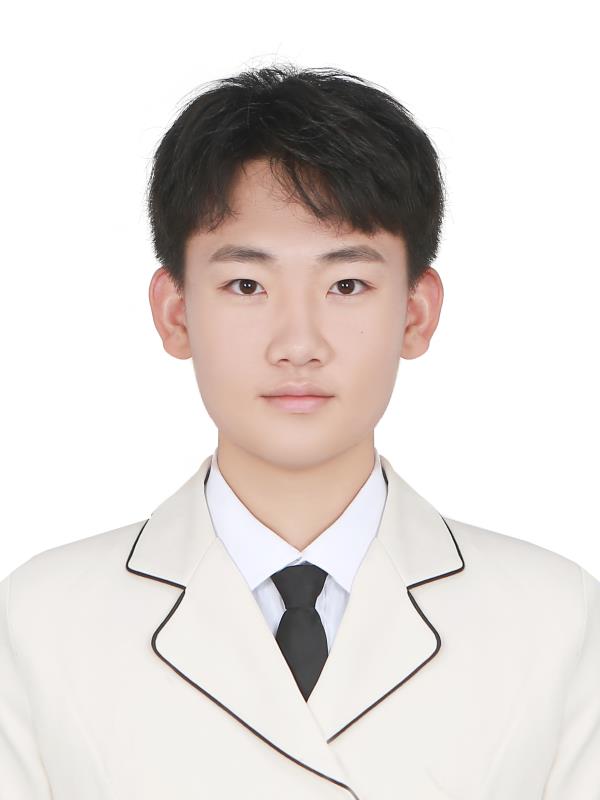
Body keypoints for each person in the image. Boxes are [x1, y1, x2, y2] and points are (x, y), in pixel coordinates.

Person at [1, 63, 598, 800]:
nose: (298, 343)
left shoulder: (555, 622)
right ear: (175, 313)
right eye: (246, 285)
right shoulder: (40, 623)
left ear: (415, 314)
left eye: (346, 285)